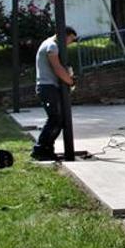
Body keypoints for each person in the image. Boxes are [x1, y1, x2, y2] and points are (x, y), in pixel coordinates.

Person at [31, 27, 78, 161]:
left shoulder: (50, 44)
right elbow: (57, 68)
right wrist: (70, 81)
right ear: (65, 36)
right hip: (47, 87)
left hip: (50, 87)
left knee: (58, 120)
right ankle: (40, 149)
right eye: (71, 39)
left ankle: (47, 150)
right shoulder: (52, 46)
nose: (70, 43)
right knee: (55, 119)